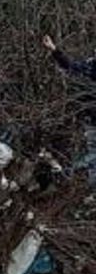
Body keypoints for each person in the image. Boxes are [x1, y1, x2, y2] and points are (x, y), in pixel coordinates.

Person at [44, 35, 96, 188]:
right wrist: (54, 50)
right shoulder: (90, 66)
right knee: (93, 154)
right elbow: (71, 67)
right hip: (92, 119)